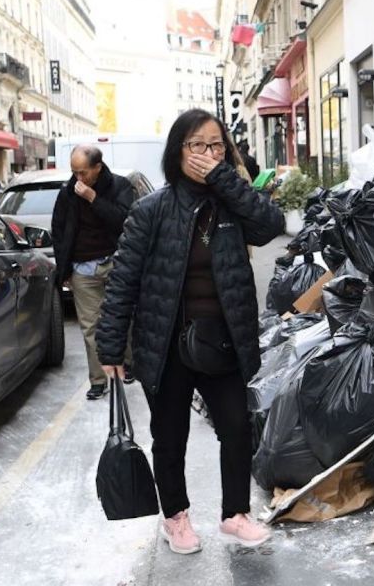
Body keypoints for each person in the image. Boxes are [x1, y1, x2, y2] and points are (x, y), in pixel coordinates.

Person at [97, 108, 283, 554]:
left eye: (216, 145)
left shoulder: (232, 205)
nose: (207, 153)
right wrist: (110, 346)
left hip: (223, 340)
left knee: (237, 428)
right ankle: (176, 518)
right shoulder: (151, 210)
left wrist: (225, 178)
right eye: (197, 145)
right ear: (177, 150)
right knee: (171, 434)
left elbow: (272, 224)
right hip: (166, 344)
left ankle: (235, 514)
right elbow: (123, 279)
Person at [51, 146, 136, 400]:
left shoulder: (119, 186)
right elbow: (59, 230)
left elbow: (124, 220)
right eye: (74, 172)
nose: (78, 178)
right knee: (90, 326)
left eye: (83, 172)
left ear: (98, 167)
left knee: (124, 316)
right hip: (82, 269)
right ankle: (99, 379)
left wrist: (93, 198)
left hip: (115, 263)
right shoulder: (67, 192)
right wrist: (64, 268)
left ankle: (127, 363)